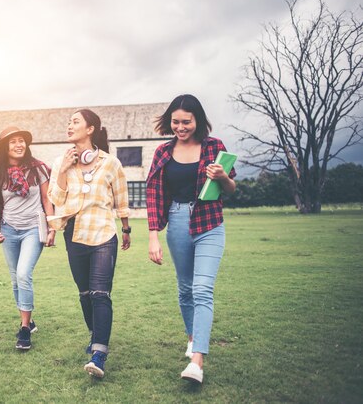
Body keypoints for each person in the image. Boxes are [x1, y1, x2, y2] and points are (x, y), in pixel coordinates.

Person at [145, 94, 236, 383]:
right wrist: (153, 236)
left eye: (187, 121)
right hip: (178, 221)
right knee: (185, 289)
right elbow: (154, 194)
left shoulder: (214, 147)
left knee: (202, 289)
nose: (181, 127)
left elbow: (231, 189)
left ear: (198, 121)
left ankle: (197, 361)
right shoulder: (162, 152)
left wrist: (222, 176)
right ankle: (192, 337)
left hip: (209, 222)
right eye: (176, 121)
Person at [47, 109, 131, 378]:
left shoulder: (111, 163)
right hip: (74, 233)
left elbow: (121, 199)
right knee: (84, 293)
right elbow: (56, 199)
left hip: (104, 233)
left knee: (100, 293)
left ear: (91, 128)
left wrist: (126, 228)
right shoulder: (61, 161)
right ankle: (96, 334)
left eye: (75, 121)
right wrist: (63, 169)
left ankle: (99, 354)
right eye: (68, 122)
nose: (69, 126)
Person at [0, 126, 55, 351]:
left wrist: (53, 226)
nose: (19, 144)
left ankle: (24, 329)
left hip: (33, 229)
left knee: (24, 274)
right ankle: (29, 320)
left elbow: (47, 200)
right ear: (4, 147)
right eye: (13, 141)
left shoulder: (39, 169)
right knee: (16, 278)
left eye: (21, 140)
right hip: (9, 230)